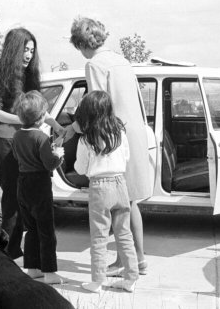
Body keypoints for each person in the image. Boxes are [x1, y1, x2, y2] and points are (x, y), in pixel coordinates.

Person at [66, 16, 151, 276]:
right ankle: (139, 259)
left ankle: (122, 262)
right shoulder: (122, 60)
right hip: (134, 133)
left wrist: (74, 127)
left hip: (112, 136)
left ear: (81, 44)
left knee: (114, 203)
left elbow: (96, 108)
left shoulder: (94, 65)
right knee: (130, 200)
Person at [0, 27, 64, 259]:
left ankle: (13, 248)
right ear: (13, 49)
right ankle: (6, 251)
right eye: (25, 49)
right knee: (12, 198)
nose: (29, 55)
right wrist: (24, 120)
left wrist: (55, 123)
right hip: (6, 144)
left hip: (27, 141)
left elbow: (39, 109)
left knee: (25, 199)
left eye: (32, 50)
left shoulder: (30, 74)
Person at [74, 90, 139, 293]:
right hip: (120, 184)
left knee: (99, 236)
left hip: (99, 187)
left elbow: (80, 168)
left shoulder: (86, 139)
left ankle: (97, 280)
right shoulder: (120, 132)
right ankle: (131, 277)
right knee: (124, 233)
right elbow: (126, 157)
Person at [12, 90, 66, 284]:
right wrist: (58, 154)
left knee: (31, 230)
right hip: (40, 185)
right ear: (41, 117)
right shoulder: (41, 138)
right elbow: (49, 164)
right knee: (46, 230)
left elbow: (18, 157)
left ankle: (32, 268)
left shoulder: (17, 136)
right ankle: (50, 272)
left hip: (23, 183)